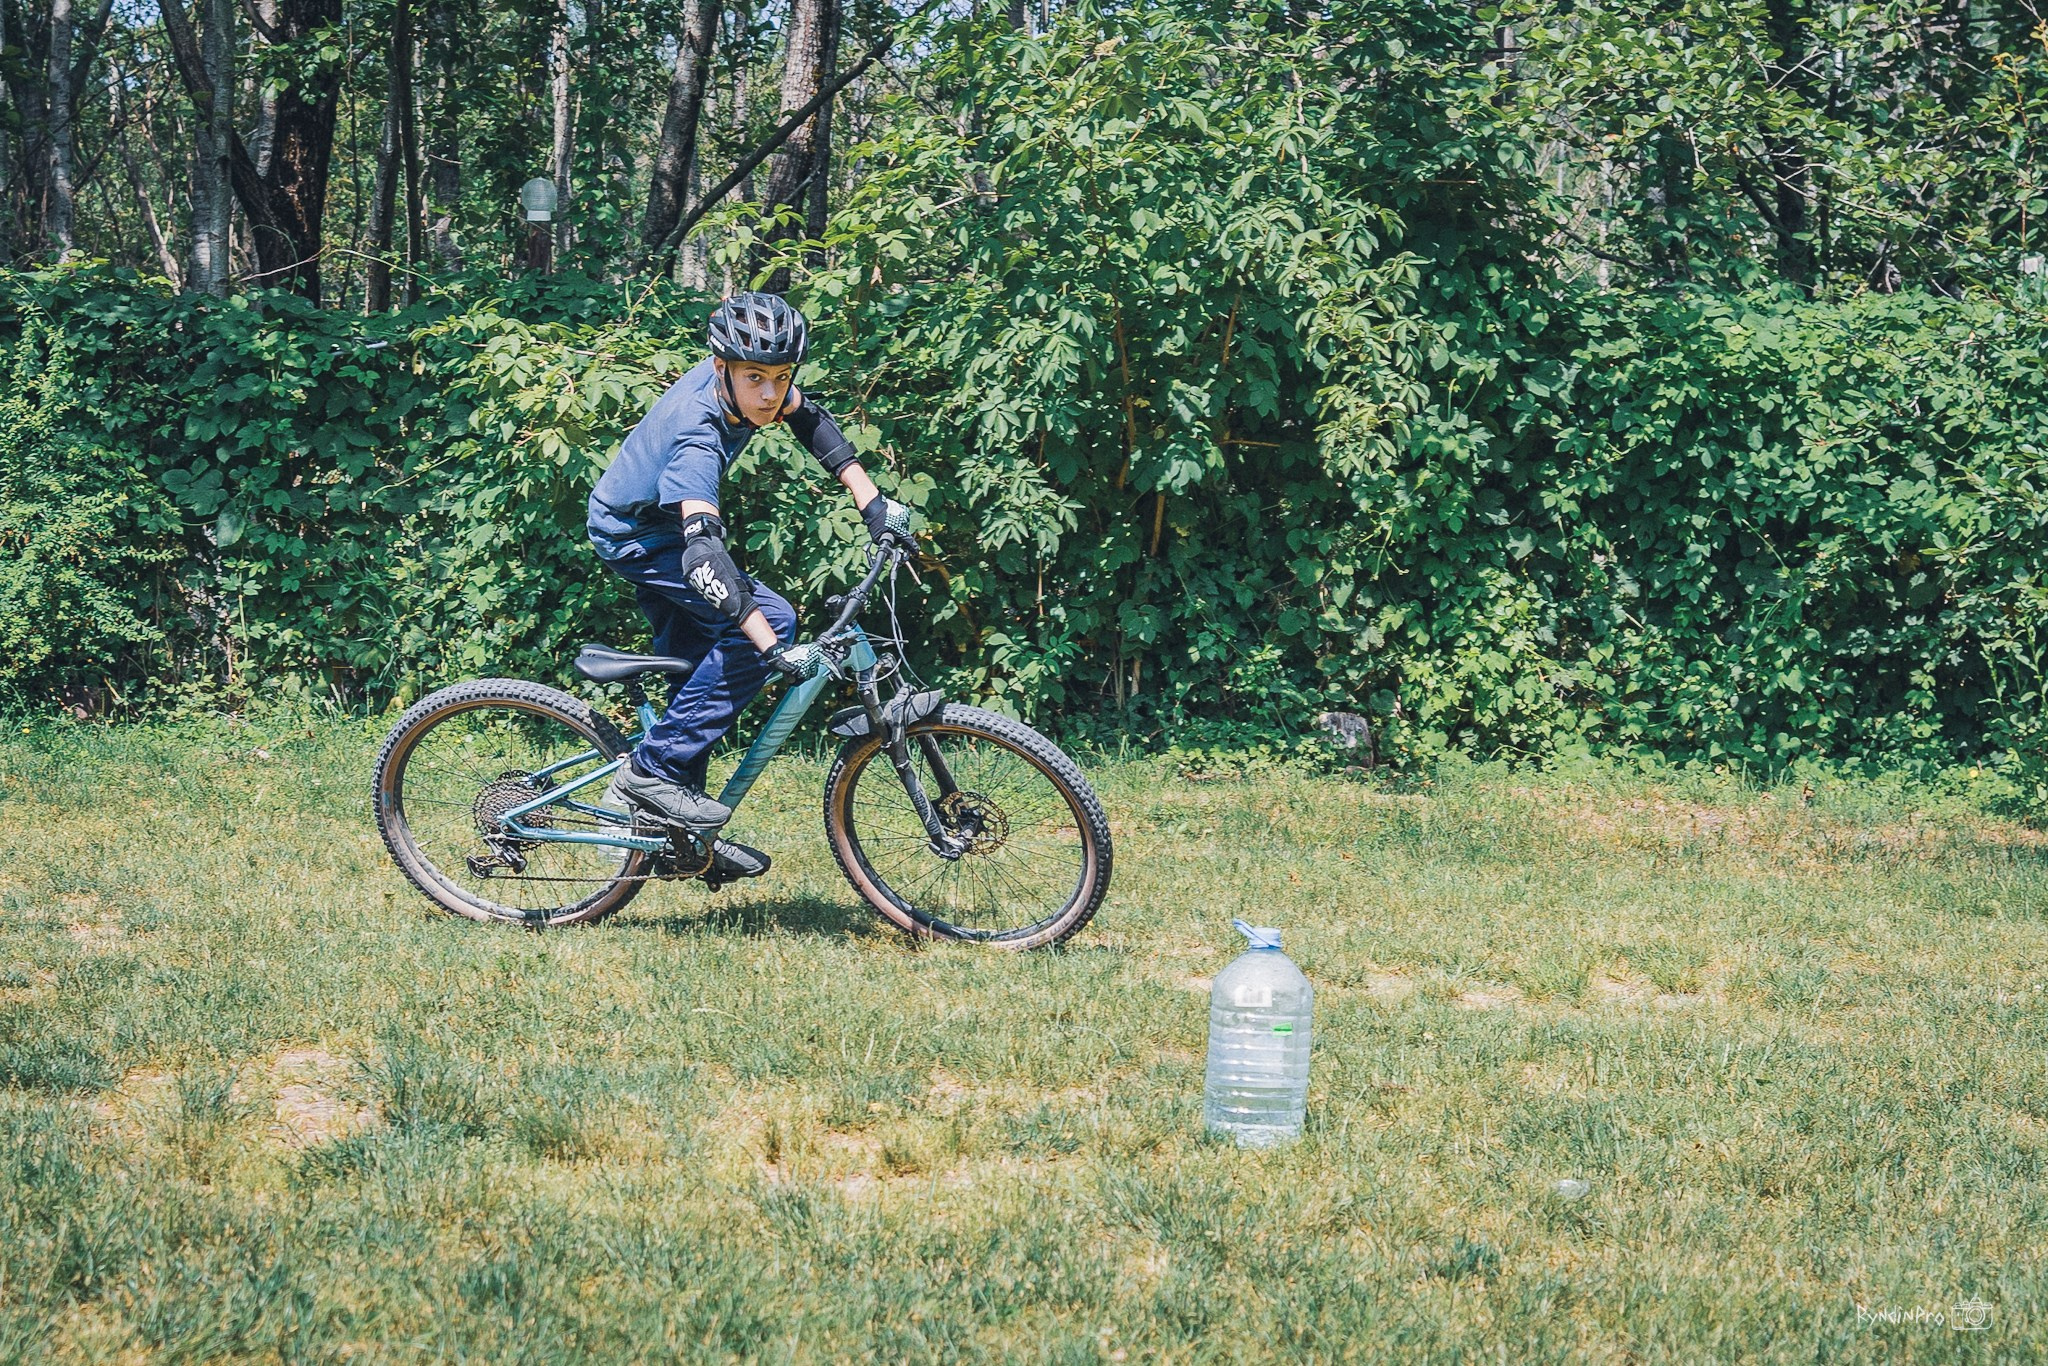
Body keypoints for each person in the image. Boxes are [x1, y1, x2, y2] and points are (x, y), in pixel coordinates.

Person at [587, 292, 911, 881]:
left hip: (669, 526)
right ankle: (650, 775)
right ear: (722, 369)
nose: (771, 393)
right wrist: (773, 647)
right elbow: (703, 556)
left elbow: (810, 420)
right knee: (771, 618)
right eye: (755, 378)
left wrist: (874, 502)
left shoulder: (758, 383)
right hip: (638, 533)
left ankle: (678, 841)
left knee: (701, 676)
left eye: (781, 377)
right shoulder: (698, 432)